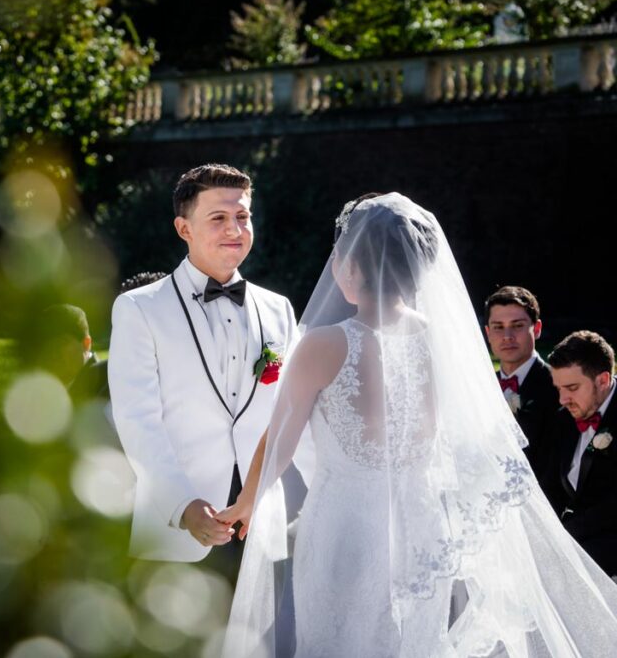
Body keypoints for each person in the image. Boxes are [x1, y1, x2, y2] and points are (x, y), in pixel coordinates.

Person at [219, 193, 617, 657]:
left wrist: (244, 503)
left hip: (343, 531)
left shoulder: (322, 346)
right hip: (422, 534)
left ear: (352, 267)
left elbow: (278, 441)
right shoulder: (443, 341)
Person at [108, 163, 314, 572]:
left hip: (263, 525)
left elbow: (293, 412)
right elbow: (136, 420)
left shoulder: (278, 309)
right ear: (183, 228)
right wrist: (182, 505)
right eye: (218, 218)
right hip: (177, 531)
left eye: (242, 216)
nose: (234, 229)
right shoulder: (139, 308)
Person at [541, 331, 617, 576]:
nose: (563, 399)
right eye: (559, 389)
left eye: (572, 388)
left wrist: (565, 537)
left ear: (603, 380)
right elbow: (552, 485)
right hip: (577, 540)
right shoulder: (565, 418)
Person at [484, 286, 559, 478]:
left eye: (517, 325)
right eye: (498, 327)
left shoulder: (560, 387)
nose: (507, 336)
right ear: (488, 333)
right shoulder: (481, 387)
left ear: (537, 329)